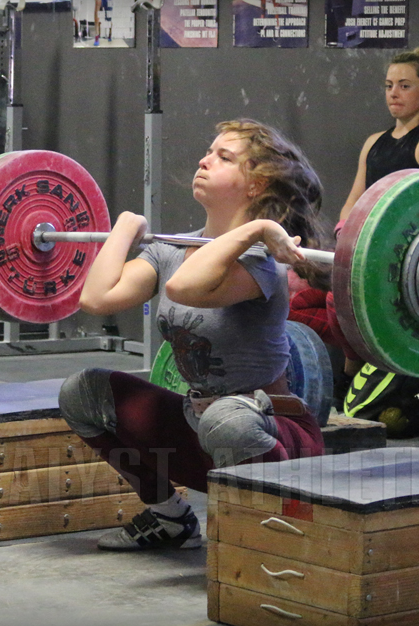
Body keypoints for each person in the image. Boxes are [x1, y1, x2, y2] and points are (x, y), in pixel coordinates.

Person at [59, 119, 326, 552]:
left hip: (270, 438)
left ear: (256, 185)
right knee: (83, 391)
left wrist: (254, 231)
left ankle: (272, 537)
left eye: (224, 157)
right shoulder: (170, 248)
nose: (204, 161)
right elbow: (96, 298)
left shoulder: (261, 260)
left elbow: (185, 288)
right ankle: (170, 519)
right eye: (209, 151)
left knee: (227, 420)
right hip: (199, 427)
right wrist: (125, 227)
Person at [325, 47, 419, 396]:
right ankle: (353, 376)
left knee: (347, 303)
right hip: (368, 250)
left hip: (412, 259)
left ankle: (364, 381)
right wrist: (345, 237)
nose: (394, 94)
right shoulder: (374, 142)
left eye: (404, 85)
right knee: (314, 300)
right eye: (389, 86)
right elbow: (354, 200)